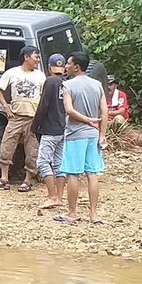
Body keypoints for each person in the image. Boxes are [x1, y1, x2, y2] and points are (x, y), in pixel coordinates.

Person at [55, 51, 107, 225]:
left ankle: (72, 213)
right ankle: (94, 215)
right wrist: (102, 134)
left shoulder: (68, 85)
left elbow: (69, 110)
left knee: (73, 174)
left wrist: (87, 120)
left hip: (75, 135)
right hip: (93, 136)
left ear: (76, 67)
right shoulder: (97, 85)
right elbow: (104, 111)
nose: (66, 66)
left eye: (68, 63)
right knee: (92, 173)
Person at [0, 46, 46, 192]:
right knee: (6, 146)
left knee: (32, 151)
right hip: (15, 117)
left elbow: (44, 95)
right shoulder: (12, 73)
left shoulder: (40, 76)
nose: (38, 60)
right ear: (26, 57)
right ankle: (4, 178)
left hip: (33, 119)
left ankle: (27, 180)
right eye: (35, 57)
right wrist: (5, 106)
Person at [31, 53, 67, 210]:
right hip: (63, 128)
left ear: (49, 67)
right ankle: (59, 196)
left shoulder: (50, 81)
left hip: (50, 128)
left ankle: (52, 196)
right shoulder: (66, 83)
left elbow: (43, 105)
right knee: (59, 163)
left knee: (43, 162)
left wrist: (34, 126)